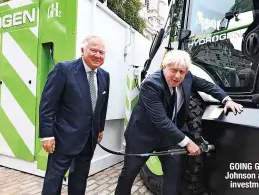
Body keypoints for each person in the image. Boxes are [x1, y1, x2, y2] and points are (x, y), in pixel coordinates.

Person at [115, 50, 243, 195]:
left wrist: (227, 100)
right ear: (164, 66)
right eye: (173, 70)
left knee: (173, 176)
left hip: (168, 138)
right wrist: (188, 143)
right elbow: (161, 121)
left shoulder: (187, 77)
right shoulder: (151, 85)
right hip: (142, 137)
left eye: (181, 71)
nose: (177, 75)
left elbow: (208, 86)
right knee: (128, 175)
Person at [39, 35, 110, 195]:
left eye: (102, 52)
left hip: (89, 139)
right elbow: (48, 104)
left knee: (80, 179)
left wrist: (100, 128)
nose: (98, 55)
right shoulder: (63, 70)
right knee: (54, 179)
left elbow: (102, 105)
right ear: (82, 50)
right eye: (94, 50)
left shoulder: (105, 75)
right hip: (63, 138)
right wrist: (46, 135)